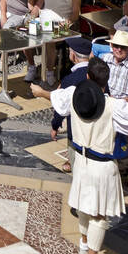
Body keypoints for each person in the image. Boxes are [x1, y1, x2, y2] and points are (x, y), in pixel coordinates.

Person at [51, 58, 128, 254]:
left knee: (84, 207)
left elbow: (56, 98)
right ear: (107, 80)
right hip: (102, 165)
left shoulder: (74, 95)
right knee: (99, 215)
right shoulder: (113, 106)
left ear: (88, 76)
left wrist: (42, 91)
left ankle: (84, 245)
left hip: (80, 160)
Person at [30, 35, 92, 171]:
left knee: (77, 164)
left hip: (76, 130)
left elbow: (62, 107)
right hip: (96, 128)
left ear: (74, 56)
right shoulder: (97, 72)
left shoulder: (70, 79)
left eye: (70, 50)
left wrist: (55, 126)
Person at [29, 0, 82, 84]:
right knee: (25, 34)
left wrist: (65, 24)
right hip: (44, 22)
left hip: (62, 24)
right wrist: (30, 18)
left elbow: (75, 14)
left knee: (49, 40)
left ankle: (49, 72)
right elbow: (38, 6)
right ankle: (31, 66)